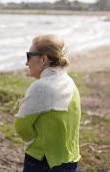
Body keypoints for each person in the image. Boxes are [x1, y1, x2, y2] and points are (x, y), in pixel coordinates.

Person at [15, 34, 81, 172]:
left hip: (43, 161)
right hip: (70, 160)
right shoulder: (69, 82)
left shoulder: (41, 87)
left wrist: (33, 142)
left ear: (43, 59)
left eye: (29, 57)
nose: (26, 63)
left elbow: (22, 126)